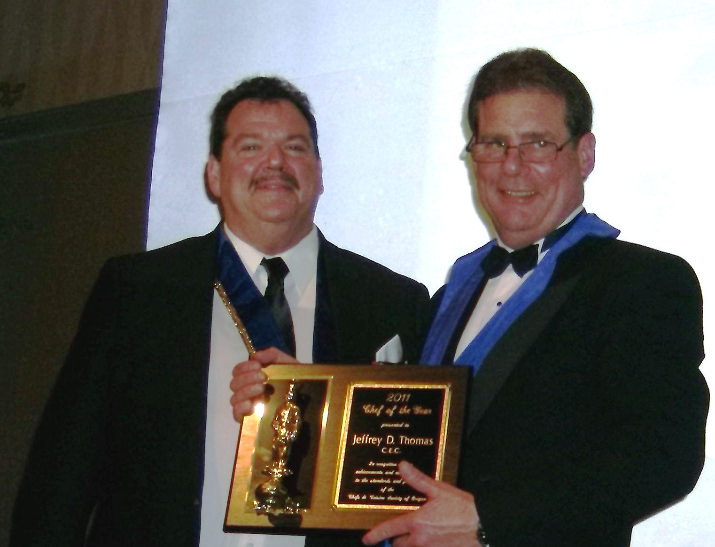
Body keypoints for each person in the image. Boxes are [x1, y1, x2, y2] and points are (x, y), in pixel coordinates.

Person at [11, 76, 430, 547]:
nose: (274, 163)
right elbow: (64, 471)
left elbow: (407, 480)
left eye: (294, 148)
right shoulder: (138, 291)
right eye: (251, 147)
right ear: (213, 174)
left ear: (318, 171)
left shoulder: (393, 302)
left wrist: (321, 412)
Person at [362, 48, 709, 547]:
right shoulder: (446, 297)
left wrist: (489, 519)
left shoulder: (644, 281)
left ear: (584, 154)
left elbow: (663, 456)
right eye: (494, 143)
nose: (512, 166)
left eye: (538, 144)